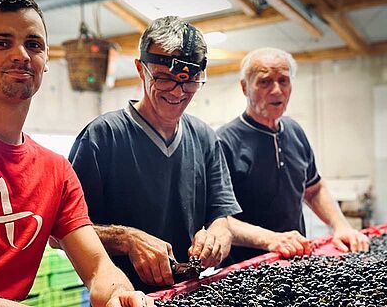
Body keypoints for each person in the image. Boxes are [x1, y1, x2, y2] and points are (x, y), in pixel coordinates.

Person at [0, 0, 153, 307]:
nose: (21, 54)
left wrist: (120, 291)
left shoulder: (57, 171)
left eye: (33, 45)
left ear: (46, 60)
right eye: (1, 42)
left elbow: (98, 268)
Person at [68, 16, 242, 293]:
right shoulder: (102, 136)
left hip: (192, 292)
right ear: (141, 69)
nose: (177, 91)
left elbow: (220, 217)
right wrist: (127, 238)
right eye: (164, 78)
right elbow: (62, 234)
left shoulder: (205, 137)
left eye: (190, 81)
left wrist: (218, 236)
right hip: (123, 296)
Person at [216, 47, 370, 264]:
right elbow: (218, 220)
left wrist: (341, 225)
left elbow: (314, 189)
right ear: (244, 87)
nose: (277, 90)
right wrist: (272, 240)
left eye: (284, 80)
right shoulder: (224, 141)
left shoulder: (295, 131)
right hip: (243, 272)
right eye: (265, 81)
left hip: (295, 261)